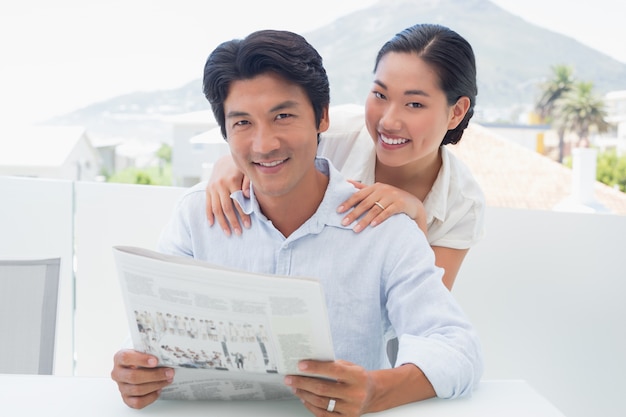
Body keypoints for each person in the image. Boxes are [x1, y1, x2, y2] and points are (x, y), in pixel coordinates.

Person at [110, 29, 482, 415]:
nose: (264, 142)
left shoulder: (396, 229)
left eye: (283, 116)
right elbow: (147, 335)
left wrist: (375, 389)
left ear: (321, 117)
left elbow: (452, 346)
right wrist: (135, 369)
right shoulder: (196, 215)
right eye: (242, 123)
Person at [205, 23, 485, 290]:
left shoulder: (461, 203)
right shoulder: (331, 132)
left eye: (414, 104)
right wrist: (227, 164)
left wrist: (415, 219)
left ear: (456, 111)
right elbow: (264, 138)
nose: (388, 121)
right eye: (380, 94)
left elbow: (423, 309)